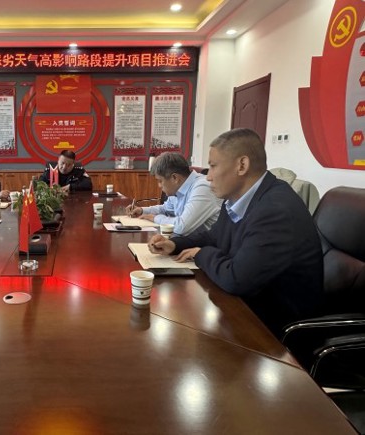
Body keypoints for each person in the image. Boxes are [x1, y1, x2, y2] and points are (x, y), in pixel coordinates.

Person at [148, 128, 323, 335]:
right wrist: (175, 244)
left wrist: (201, 254)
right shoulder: (237, 198)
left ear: (242, 165)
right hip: (246, 306)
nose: (208, 177)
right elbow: (214, 235)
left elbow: (237, 279)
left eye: (213, 166)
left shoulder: (275, 209)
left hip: (276, 327)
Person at [125, 152, 221, 235]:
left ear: (174, 178)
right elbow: (166, 209)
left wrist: (155, 218)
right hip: (190, 240)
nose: (159, 186)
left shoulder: (203, 188)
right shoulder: (178, 188)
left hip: (208, 246)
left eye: (160, 181)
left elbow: (182, 226)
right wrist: (142, 210)